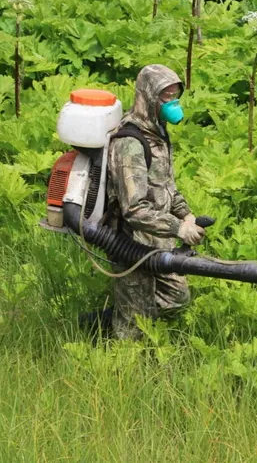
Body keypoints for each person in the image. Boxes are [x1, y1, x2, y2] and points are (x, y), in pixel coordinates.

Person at [103, 64, 206, 340]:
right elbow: (134, 209)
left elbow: (165, 186)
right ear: (147, 97)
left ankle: (109, 318)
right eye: (166, 97)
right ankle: (121, 369)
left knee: (177, 297)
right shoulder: (131, 143)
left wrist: (186, 215)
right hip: (130, 243)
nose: (172, 103)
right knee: (133, 329)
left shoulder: (158, 133)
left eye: (176, 96)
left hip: (158, 240)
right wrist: (178, 228)